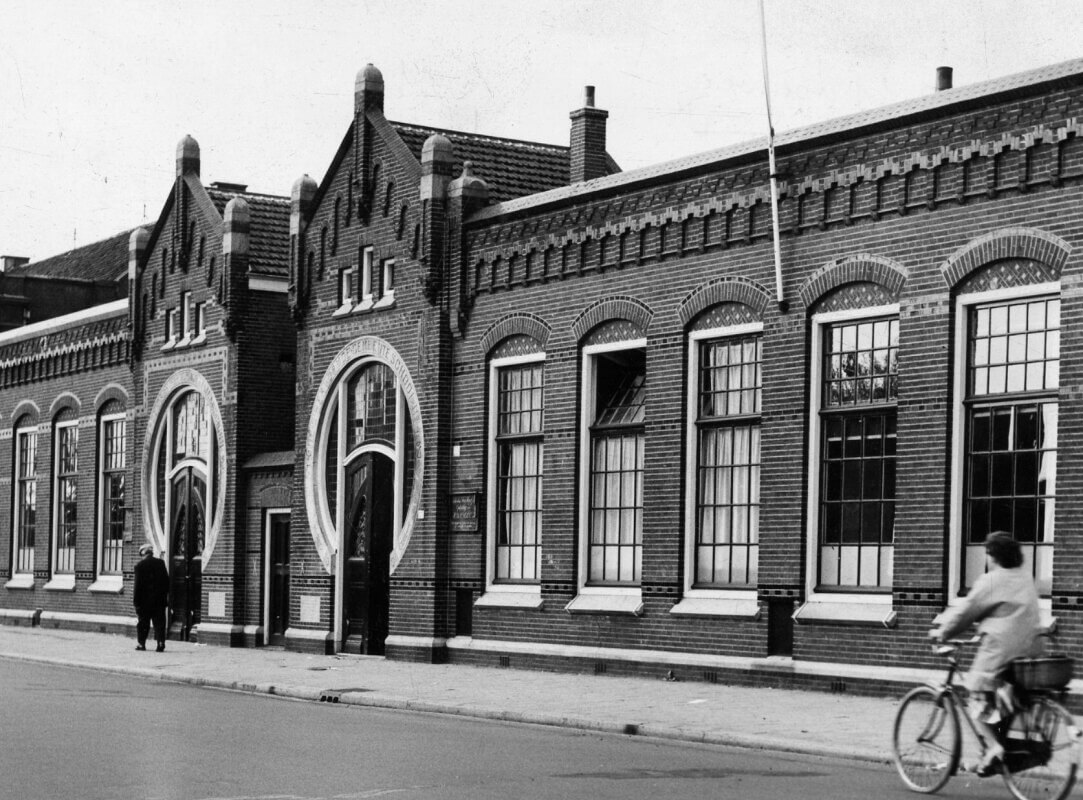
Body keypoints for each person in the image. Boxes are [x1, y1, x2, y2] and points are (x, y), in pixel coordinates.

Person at [933, 531, 1042, 775]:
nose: (986, 559)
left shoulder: (992, 580)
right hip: (1031, 652)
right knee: (1002, 702)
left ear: (993, 556)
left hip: (1002, 652)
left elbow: (966, 611)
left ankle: (993, 748)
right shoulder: (1025, 577)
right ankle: (991, 756)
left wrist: (942, 633)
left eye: (987, 554)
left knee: (977, 697)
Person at [133, 543, 170, 652]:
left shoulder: (139, 566)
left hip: (144, 602)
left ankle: (141, 644)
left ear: (143, 553)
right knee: (159, 623)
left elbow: (137, 586)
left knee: (143, 623)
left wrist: (136, 602)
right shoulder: (160, 563)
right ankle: (160, 643)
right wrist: (164, 597)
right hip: (159, 601)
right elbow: (166, 582)